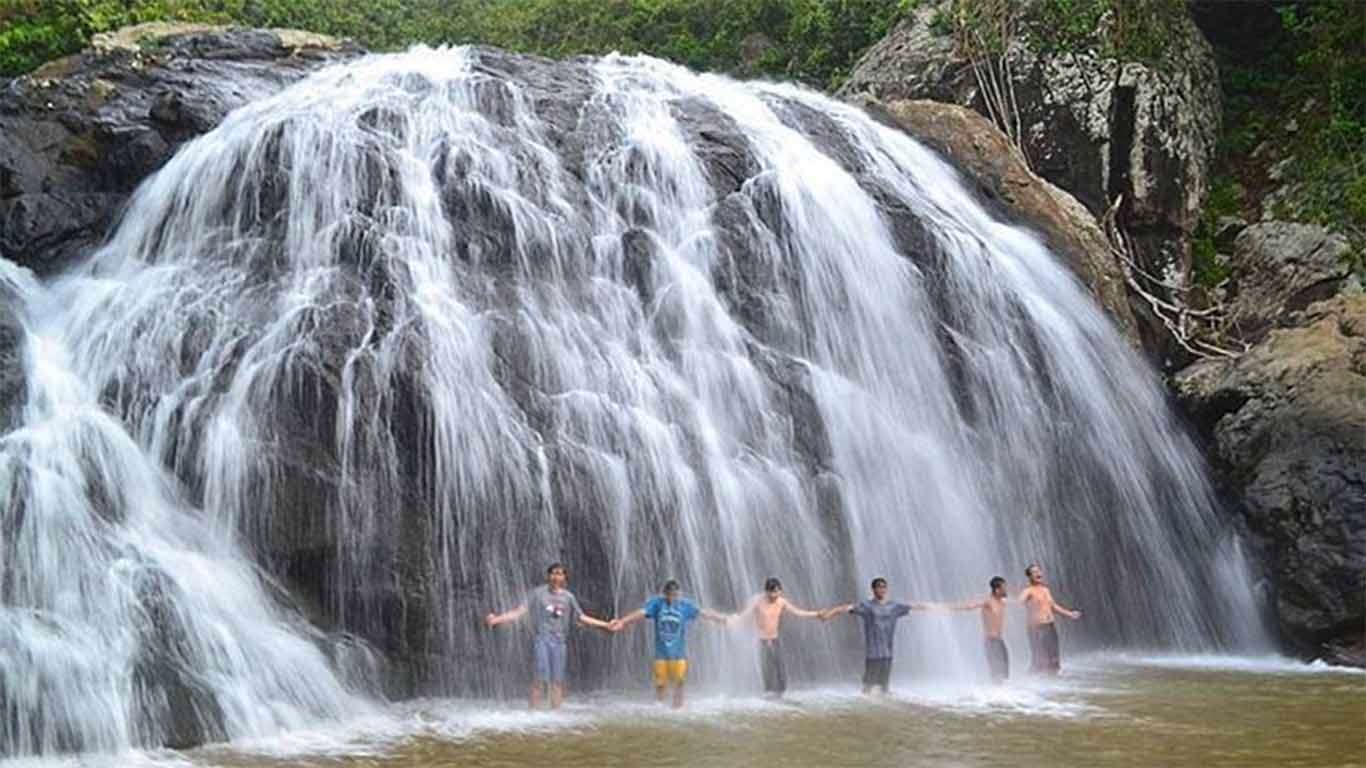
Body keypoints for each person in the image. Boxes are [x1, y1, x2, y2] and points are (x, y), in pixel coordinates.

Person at [484, 562, 614, 709]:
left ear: (565, 578)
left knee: (557, 681)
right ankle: (532, 715)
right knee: (539, 679)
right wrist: (496, 620)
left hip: (560, 642)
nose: (555, 576)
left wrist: (605, 624)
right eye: (553, 573)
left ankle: (556, 716)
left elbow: (582, 617)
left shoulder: (568, 597)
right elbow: (519, 612)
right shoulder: (537, 593)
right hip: (542, 640)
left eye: (559, 573)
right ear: (547, 576)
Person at [612, 579, 728, 708]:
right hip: (661, 655)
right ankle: (659, 707)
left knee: (679, 683)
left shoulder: (685, 606)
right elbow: (640, 613)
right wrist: (622, 622)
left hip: (679, 655)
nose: (672, 597)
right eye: (670, 594)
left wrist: (721, 619)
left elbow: (703, 613)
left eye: (675, 594)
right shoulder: (657, 604)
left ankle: (677, 709)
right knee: (661, 684)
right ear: (664, 593)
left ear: (679, 594)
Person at [820, 577, 926, 694]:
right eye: (879, 587)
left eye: (884, 587)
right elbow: (846, 608)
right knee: (868, 687)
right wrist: (829, 614)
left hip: (887, 654)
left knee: (884, 687)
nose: (882, 589)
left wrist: (941, 608)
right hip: (873, 655)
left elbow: (915, 606)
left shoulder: (894, 607)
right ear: (873, 589)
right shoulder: (867, 606)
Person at [729, 577, 822, 698]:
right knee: (766, 668)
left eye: (777, 592)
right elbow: (745, 615)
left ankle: (781, 692)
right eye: (772, 592)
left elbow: (798, 612)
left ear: (780, 591)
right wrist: (732, 620)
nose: (775, 595)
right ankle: (767, 692)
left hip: (774, 639)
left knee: (780, 666)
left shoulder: (781, 602)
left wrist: (816, 614)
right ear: (766, 591)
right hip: (761, 640)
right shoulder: (757, 601)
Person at [923, 576, 1012, 683]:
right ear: (997, 590)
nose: (1006, 589)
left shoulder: (1002, 602)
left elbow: (1017, 600)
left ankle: (1003, 692)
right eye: (1004, 588)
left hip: (999, 640)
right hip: (991, 641)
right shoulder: (988, 602)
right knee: (996, 669)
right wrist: (945, 607)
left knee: (1005, 667)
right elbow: (968, 606)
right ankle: (995, 693)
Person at [1017, 563, 1081, 675]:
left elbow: (1053, 606)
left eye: (1039, 571)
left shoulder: (1046, 590)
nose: (1038, 573)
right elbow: (1020, 601)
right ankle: (1030, 680)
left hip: (1050, 626)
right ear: (1029, 576)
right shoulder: (1028, 591)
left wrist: (1069, 614)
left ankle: (1054, 678)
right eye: (1035, 572)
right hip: (1036, 628)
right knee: (1038, 658)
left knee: (1054, 656)